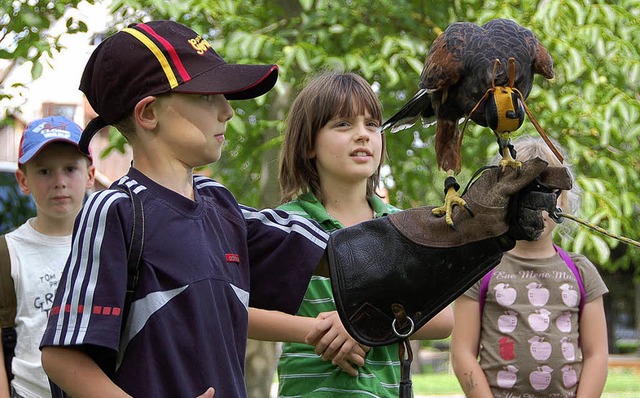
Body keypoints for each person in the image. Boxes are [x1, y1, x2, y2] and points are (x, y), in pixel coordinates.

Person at [38, 20, 570, 398]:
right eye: (206, 97)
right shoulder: (116, 211)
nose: (226, 109)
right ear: (149, 113)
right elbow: (61, 355)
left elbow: (358, 255)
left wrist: (482, 226)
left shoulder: (222, 208)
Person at [248, 72, 454, 397]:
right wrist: (317, 331)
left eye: (372, 124)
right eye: (343, 124)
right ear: (309, 144)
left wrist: (366, 324)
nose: (362, 135)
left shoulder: (404, 227)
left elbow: (444, 319)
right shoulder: (281, 226)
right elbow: (234, 307)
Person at [450, 136, 609, 397]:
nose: (537, 206)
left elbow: (597, 355)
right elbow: (462, 354)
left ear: (564, 202)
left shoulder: (581, 271)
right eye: (524, 192)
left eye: (549, 193)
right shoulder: (480, 269)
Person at [0, 116, 95, 398]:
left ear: (90, 175)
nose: (59, 182)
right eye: (44, 172)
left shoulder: (110, 246)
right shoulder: (9, 252)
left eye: (70, 169)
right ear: (23, 180)